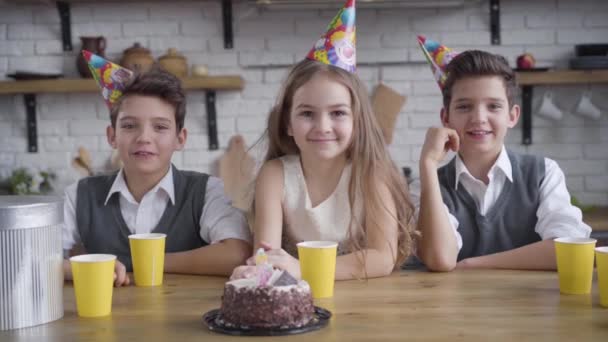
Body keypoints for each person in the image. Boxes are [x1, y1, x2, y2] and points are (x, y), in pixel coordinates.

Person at [232, 0, 417, 281]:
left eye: (338, 113)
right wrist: (253, 270)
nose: (323, 126)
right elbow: (266, 255)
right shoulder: (275, 175)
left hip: (367, 303)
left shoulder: (371, 175)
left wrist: (304, 269)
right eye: (307, 113)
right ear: (288, 124)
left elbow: (381, 258)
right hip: (299, 301)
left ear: (357, 122)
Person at [62, 53, 251, 286]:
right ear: (112, 137)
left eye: (160, 127)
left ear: (180, 139)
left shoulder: (205, 191)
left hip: (184, 320)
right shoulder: (79, 195)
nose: (144, 138)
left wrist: (146, 262)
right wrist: (79, 268)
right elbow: (34, 261)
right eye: (130, 126)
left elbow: (237, 254)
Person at [413, 37, 591, 272]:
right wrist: (427, 163)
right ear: (446, 118)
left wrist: (471, 264)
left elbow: (570, 249)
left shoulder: (543, 173)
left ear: (512, 116)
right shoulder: (425, 187)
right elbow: (439, 258)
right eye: (464, 106)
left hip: (530, 307)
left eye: (493, 106)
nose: (478, 118)